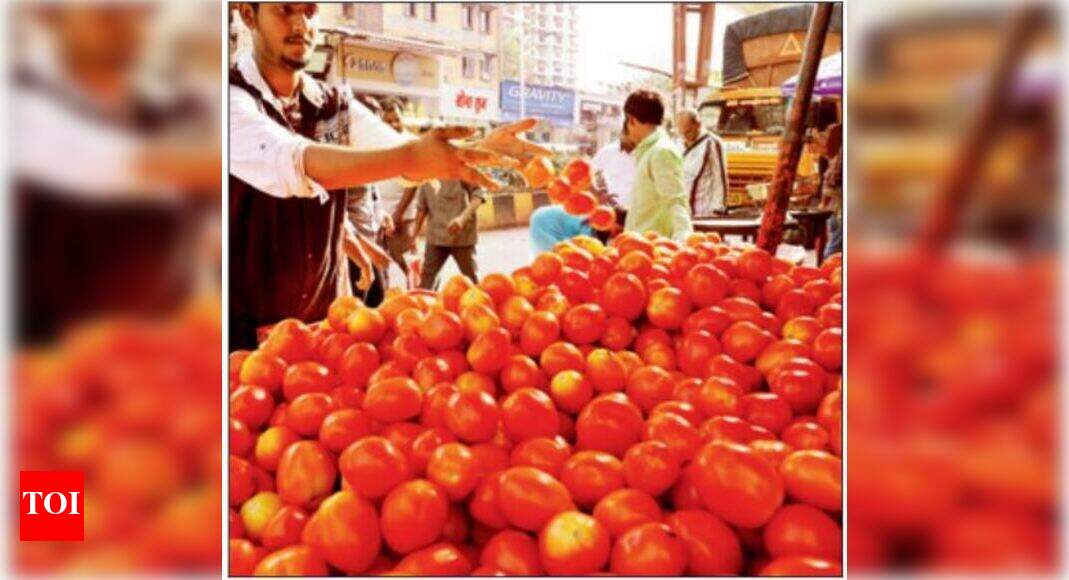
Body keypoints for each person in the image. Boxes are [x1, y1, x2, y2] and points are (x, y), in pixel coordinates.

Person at [229, 2, 546, 349]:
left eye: (310, 10)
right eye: (285, 10)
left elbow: (398, 151)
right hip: (241, 333)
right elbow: (291, 161)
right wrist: (411, 157)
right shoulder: (227, 98)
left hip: (320, 325)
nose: (302, 24)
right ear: (248, 14)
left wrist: (478, 146)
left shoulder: (333, 104)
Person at [622, 90, 692, 241]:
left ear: (632, 120)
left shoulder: (661, 152)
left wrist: (683, 239)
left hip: (654, 248)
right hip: (638, 245)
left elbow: (676, 201)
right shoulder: (649, 151)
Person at [374, 98, 420, 283]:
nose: (393, 124)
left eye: (397, 119)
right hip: (379, 214)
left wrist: (398, 214)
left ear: (403, 118)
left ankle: (420, 294)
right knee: (380, 262)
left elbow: (414, 183)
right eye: (388, 121)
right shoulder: (376, 142)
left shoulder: (411, 142)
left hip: (403, 215)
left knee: (408, 261)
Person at [413, 179, 484, 288]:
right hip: (435, 238)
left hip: (461, 237)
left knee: (473, 281)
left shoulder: (460, 171)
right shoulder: (426, 175)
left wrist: (462, 219)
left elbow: (479, 194)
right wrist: (414, 236)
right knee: (426, 282)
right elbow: (422, 207)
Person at [676, 108, 729, 217]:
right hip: (684, 211)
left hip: (704, 211)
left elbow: (719, 177)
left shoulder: (712, 143)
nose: (685, 137)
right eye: (682, 133)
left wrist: (718, 208)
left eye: (688, 132)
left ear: (698, 125)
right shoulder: (678, 143)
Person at [821, 122, 843, 259]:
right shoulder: (837, 160)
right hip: (838, 210)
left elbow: (829, 187)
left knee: (833, 250)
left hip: (835, 210)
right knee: (833, 251)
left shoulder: (835, 161)